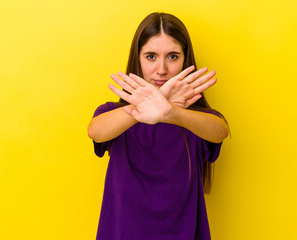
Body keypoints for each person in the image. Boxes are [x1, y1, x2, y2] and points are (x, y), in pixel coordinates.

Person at [88, 12, 229, 240]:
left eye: (172, 57)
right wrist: (144, 106)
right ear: (138, 58)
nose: (161, 69)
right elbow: (95, 131)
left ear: (186, 59)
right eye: (151, 56)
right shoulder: (115, 114)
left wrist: (171, 112)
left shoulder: (192, 119)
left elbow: (220, 131)